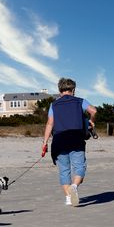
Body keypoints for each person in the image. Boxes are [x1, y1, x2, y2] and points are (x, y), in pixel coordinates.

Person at [42, 78, 97, 207]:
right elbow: (93, 111)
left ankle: (68, 197)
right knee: (79, 167)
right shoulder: (80, 101)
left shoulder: (53, 105)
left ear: (59, 91)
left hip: (59, 139)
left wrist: (44, 143)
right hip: (76, 138)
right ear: (73, 90)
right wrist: (91, 121)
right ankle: (74, 186)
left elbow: (50, 124)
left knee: (64, 170)